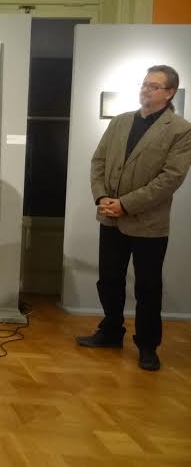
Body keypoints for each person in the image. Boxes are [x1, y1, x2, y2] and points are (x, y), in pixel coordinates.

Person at [77, 65, 191, 371]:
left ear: (169, 93)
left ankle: (148, 346)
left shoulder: (180, 130)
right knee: (109, 279)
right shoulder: (120, 121)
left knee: (148, 288)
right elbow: (98, 162)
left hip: (149, 224)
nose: (145, 89)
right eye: (144, 84)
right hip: (110, 218)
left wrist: (126, 205)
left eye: (154, 86)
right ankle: (111, 331)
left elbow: (170, 178)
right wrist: (101, 197)